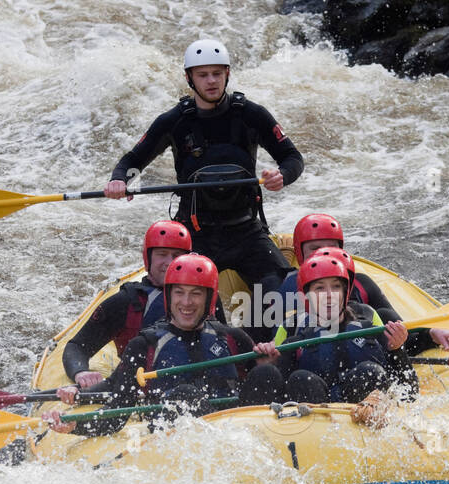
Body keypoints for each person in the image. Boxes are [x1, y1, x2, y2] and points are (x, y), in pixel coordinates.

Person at [103, 38, 304, 305]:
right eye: (203, 75)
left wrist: (282, 175)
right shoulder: (174, 121)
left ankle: (265, 340)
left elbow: (292, 157)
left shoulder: (251, 114)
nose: (211, 81)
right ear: (190, 78)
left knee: (283, 293)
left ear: (227, 75)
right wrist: (119, 180)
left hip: (246, 230)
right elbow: (132, 160)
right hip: (195, 233)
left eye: (217, 74)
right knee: (196, 305)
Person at [41, 254, 279, 436]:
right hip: (171, 440)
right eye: (179, 293)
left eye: (196, 293)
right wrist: (75, 425)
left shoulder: (232, 338)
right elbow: (116, 414)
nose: (186, 302)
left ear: (209, 298)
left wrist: (269, 362)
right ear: (168, 296)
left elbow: (261, 391)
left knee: (267, 373)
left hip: (235, 433)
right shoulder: (144, 346)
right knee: (185, 395)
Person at [280, 214, 449, 352]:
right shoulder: (286, 290)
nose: (324, 255)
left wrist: (431, 334)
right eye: (315, 249)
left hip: (360, 357)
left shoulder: (362, 286)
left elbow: (401, 331)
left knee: (383, 314)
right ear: (299, 252)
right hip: (308, 366)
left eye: (330, 248)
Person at [252, 253, 412, 406]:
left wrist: (398, 351)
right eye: (320, 288)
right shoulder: (294, 345)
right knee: (301, 379)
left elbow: (410, 394)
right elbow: (280, 400)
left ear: (345, 293)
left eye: (336, 287)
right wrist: (273, 365)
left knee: (369, 371)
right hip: (318, 423)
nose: (329, 295)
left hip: (365, 419)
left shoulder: (373, 333)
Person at [60, 219, 194, 388]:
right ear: (148, 258)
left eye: (176, 256)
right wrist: (81, 372)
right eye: (162, 254)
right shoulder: (126, 302)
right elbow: (77, 346)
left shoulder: (202, 301)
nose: (169, 262)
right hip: (135, 386)